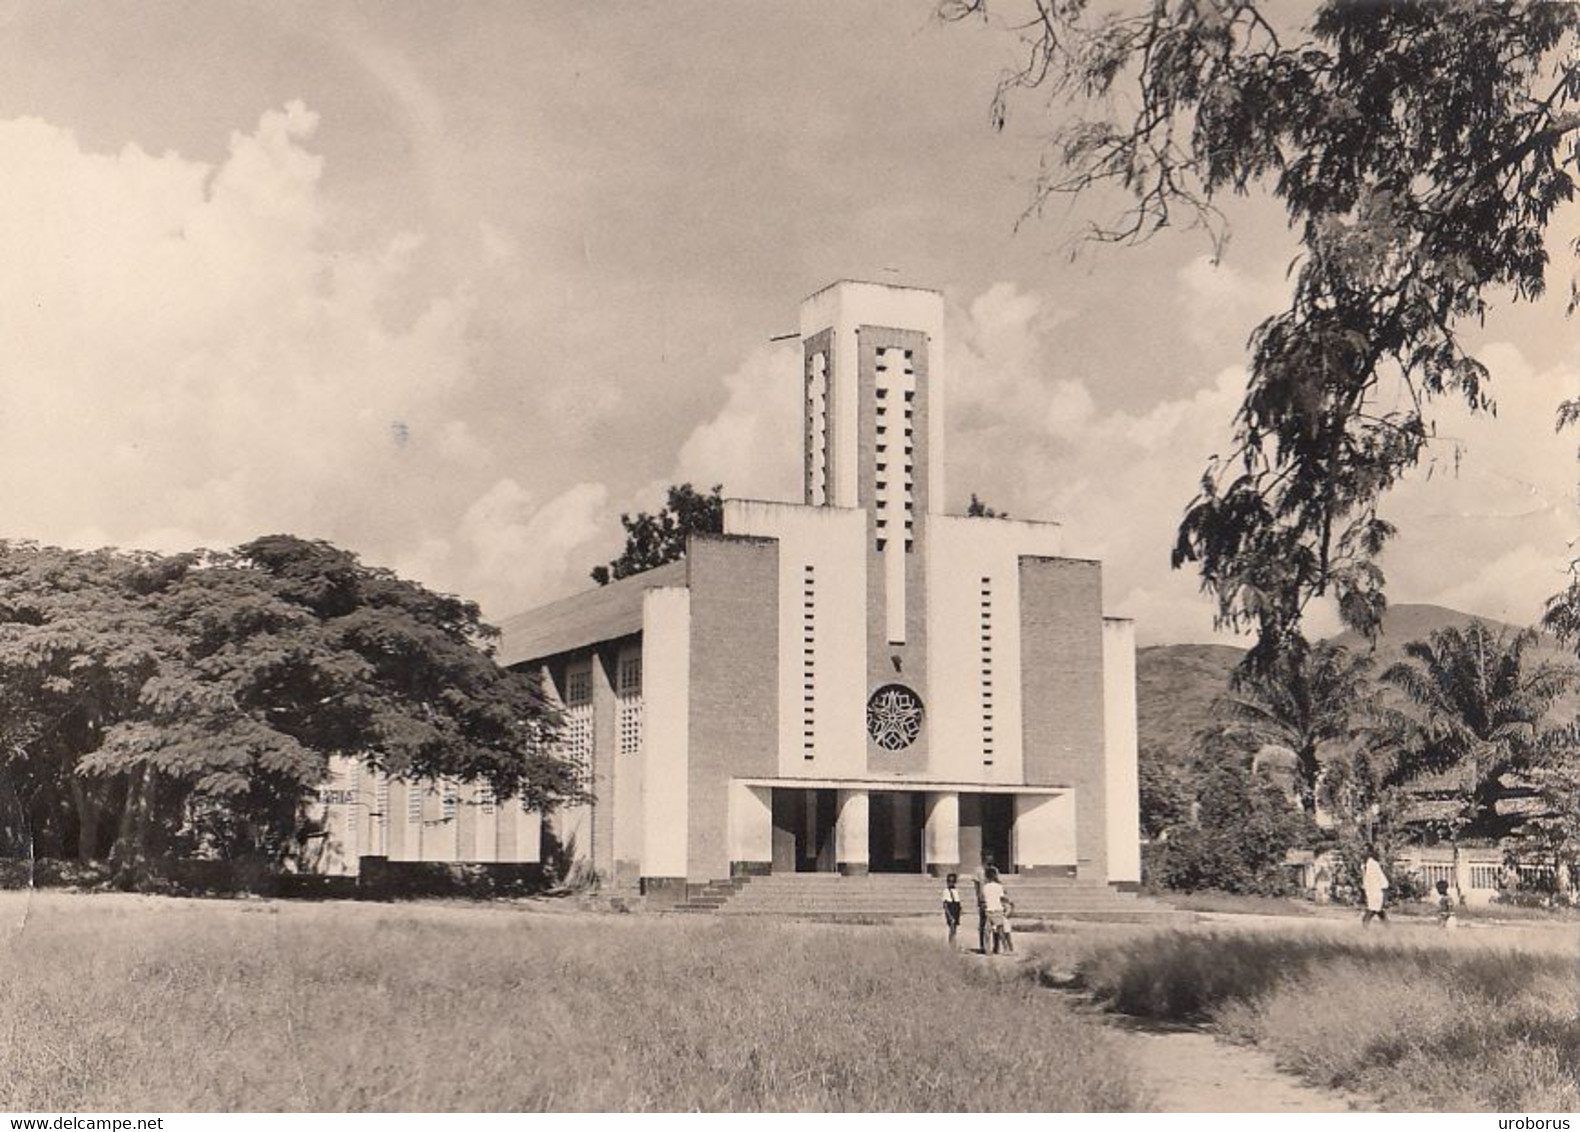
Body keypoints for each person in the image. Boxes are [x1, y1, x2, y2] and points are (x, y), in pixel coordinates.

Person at [981, 866, 1013, 954]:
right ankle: (1005, 948)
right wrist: (1009, 902)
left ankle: (987, 949)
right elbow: (1002, 897)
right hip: (998, 909)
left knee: (987, 931)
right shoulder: (999, 886)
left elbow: (983, 898)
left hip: (989, 910)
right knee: (1001, 930)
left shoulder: (985, 887)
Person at [1362, 849, 1390, 928]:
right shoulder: (1365, 866)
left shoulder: (1374, 865)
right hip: (1371, 894)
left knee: (1367, 917)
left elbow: (1384, 882)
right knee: (1380, 913)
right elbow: (1366, 882)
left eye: (1365, 851)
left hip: (1376, 894)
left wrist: (1384, 896)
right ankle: (1390, 930)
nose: (1363, 853)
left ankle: (1364, 933)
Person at [942, 873, 963, 950]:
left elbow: (958, 901)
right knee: (951, 928)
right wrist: (949, 915)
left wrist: (960, 910)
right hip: (950, 908)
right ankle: (951, 945)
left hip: (956, 908)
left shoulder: (956, 890)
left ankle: (954, 944)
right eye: (949, 881)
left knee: (954, 929)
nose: (951, 883)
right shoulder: (946, 891)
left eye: (953, 881)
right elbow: (945, 905)